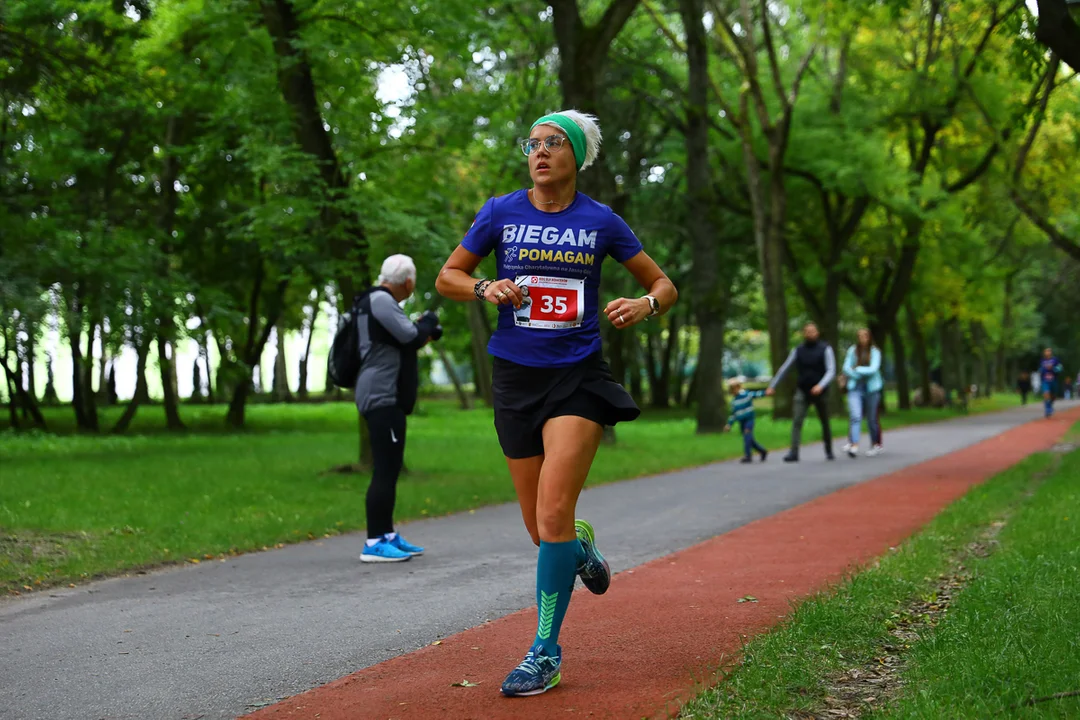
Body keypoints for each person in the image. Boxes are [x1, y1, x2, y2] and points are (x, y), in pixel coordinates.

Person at [435, 110, 677, 697]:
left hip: (576, 379)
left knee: (551, 514)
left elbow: (663, 284)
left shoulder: (600, 221)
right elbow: (448, 276)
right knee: (543, 533)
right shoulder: (499, 212)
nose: (540, 152)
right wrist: (485, 287)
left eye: (553, 144)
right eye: (533, 144)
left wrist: (644, 306)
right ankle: (582, 550)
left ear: (576, 156)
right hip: (515, 380)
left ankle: (545, 650)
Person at [354, 254, 442, 563]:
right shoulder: (380, 300)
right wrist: (427, 324)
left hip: (382, 393)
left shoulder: (375, 300)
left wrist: (423, 329)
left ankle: (387, 533)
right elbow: (409, 336)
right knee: (385, 469)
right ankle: (374, 542)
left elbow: (406, 336)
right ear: (408, 282)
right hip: (381, 394)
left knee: (389, 468)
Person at [765, 322, 837, 462]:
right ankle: (794, 452)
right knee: (797, 421)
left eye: (813, 331)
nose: (810, 333)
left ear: (817, 332)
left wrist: (821, 386)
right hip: (802, 390)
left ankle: (828, 450)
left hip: (820, 391)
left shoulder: (825, 349)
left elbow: (831, 370)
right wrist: (772, 385)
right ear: (804, 333)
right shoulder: (798, 350)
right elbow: (785, 368)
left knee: (824, 421)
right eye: (807, 331)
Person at [840, 328, 883, 458]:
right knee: (855, 416)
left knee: (871, 418)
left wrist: (857, 369)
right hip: (855, 387)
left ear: (869, 337)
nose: (862, 338)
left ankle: (876, 444)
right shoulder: (852, 350)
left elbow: (873, 369)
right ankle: (854, 445)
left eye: (865, 336)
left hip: (871, 388)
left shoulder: (875, 352)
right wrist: (856, 374)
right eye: (859, 336)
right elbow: (845, 368)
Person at [724, 379, 768, 463]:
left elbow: (756, 394)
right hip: (742, 422)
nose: (732, 391)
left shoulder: (746, 394)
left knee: (747, 436)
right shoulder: (734, 402)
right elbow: (733, 415)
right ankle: (762, 451)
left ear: (738, 387)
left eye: (733, 389)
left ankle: (748, 456)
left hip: (749, 420)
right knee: (750, 440)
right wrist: (729, 424)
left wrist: (765, 392)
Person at [1037, 348, 1064, 418]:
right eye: (1046, 351)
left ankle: (1050, 405)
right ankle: (1048, 409)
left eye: (1048, 351)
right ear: (1044, 353)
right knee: (1046, 393)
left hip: (1053, 380)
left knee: (1053, 396)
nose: (1047, 352)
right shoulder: (1042, 361)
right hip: (1045, 380)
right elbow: (1040, 369)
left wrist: (1053, 368)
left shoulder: (1055, 360)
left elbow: (1060, 368)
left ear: (1051, 352)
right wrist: (1041, 370)